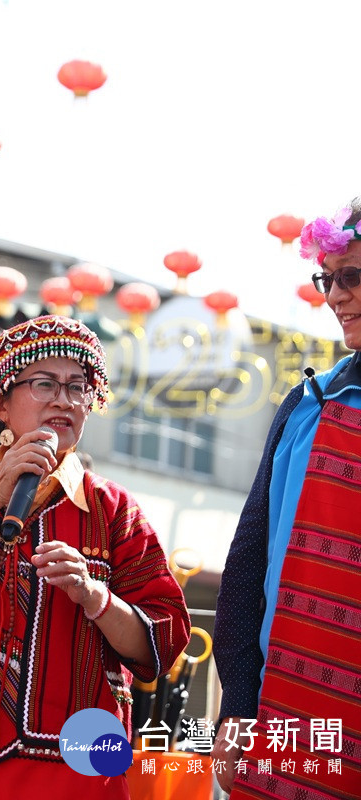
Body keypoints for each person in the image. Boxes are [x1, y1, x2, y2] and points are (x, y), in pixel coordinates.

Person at [0, 315, 191, 799]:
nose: (64, 400)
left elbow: (164, 638)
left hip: (85, 752)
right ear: (2, 405)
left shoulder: (113, 512)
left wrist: (95, 596)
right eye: (44, 383)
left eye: (78, 388)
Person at [211, 200, 361, 797]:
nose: (336, 296)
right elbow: (248, 565)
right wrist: (238, 708)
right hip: (289, 718)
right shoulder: (309, 405)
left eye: (353, 277)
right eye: (329, 279)